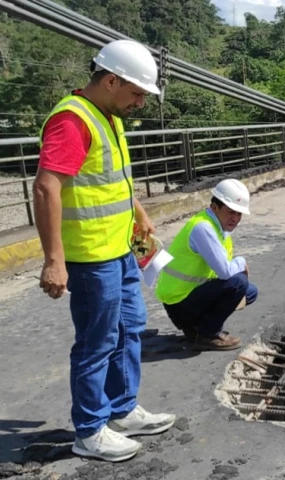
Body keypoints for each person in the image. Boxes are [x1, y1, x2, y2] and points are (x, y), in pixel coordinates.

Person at [33, 39, 176, 462]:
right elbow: (46, 188)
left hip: (120, 249)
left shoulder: (107, 116)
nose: (140, 103)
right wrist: (54, 260)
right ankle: (90, 430)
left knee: (130, 329)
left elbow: (111, 179)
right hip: (91, 257)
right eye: (136, 93)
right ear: (111, 81)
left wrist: (139, 212)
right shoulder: (73, 120)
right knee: (96, 342)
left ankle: (123, 409)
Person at [154, 178, 258, 351]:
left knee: (250, 292)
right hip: (178, 302)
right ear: (215, 207)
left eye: (239, 214)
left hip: (190, 296)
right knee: (238, 282)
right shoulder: (203, 228)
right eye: (231, 212)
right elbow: (225, 272)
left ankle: (197, 328)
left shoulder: (218, 227)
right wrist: (241, 262)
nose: (235, 218)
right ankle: (208, 335)